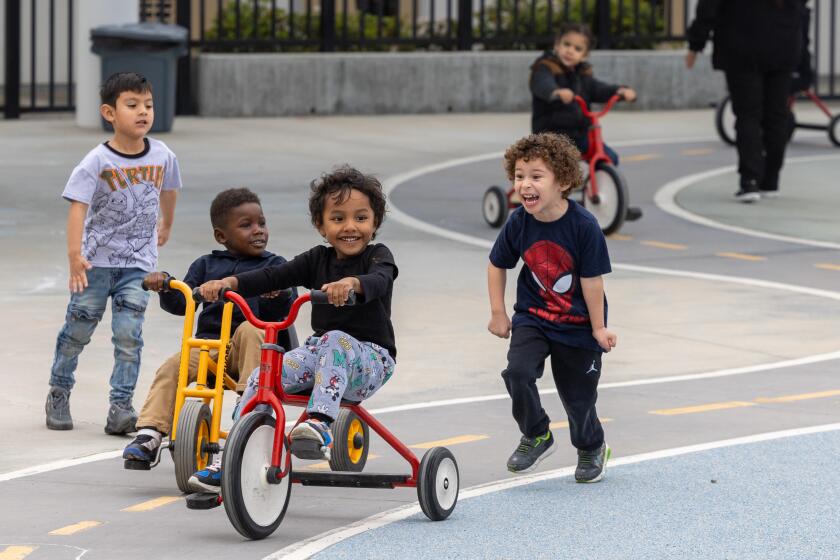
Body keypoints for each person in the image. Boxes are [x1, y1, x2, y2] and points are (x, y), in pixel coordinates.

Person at [189, 165, 397, 492]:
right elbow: (272, 276)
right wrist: (229, 282)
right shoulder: (316, 260)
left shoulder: (378, 257)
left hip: (370, 362)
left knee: (335, 341)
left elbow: (380, 280)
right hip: (320, 355)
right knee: (262, 376)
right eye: (338, 218)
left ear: (375, 223)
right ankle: (233, 455)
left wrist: (350, 283)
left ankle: (319, 424)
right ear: (320, 225)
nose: (350, 227)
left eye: (360, 218)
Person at [45, 72, 181, 434]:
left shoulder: (163, 155)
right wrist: (75, 256)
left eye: (148, 105)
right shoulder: (98, 161)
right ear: (109, 112)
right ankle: (59, 390)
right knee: (77, 331)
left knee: (128, 336)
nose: (143, 112)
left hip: (137, 266)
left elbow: (170, 189)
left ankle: (120, 407)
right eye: (132, 105)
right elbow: (77, 207)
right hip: (95, 264)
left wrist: (166, 224)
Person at [121, 188, 295, 467]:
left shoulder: (274, 267)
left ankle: (249, 406)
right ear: (221, 236)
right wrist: (165, 285)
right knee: (172, 367)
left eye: (261, 223)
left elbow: (282, 313)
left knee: (251, 329)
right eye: (246, 225)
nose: (258, 231)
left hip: (252, 353)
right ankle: (149, 433)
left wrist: (280, 293)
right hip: (209, 349)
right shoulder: (206, 264)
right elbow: (182, 303)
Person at [487, 133, 616, 482]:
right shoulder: (519, 222)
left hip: (577, 325)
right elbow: (497, 263)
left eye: (536, 176)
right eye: (519, 175)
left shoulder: (584, 226)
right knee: (517, 372)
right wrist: (499, 312)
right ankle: (537, 433)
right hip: (534, 317)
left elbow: (592, 282)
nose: (524, 184)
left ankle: (591, 447)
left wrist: (598, 328)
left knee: (578, 400)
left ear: (562, 181)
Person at [686, 0, 805, 202]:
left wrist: (696, 43)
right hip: (783, 41)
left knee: (748, 114)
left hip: (741, 42)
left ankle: (750, 180)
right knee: (776, 114)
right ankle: (771, 179)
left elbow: (709, 7)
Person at [530, 23, 640, 220]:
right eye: (566, 44)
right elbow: (541, 85)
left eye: (577, 48)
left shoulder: (583, 75)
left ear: (585, 55)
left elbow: (599, 89)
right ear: (557, 44)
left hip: (578, 133)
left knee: (608, 157)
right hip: (551, 134)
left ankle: (611, 201)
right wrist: (555, 92)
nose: (570, 51)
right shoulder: (545, 68)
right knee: (557, 172)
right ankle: (547, 203)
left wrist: (620, 91)